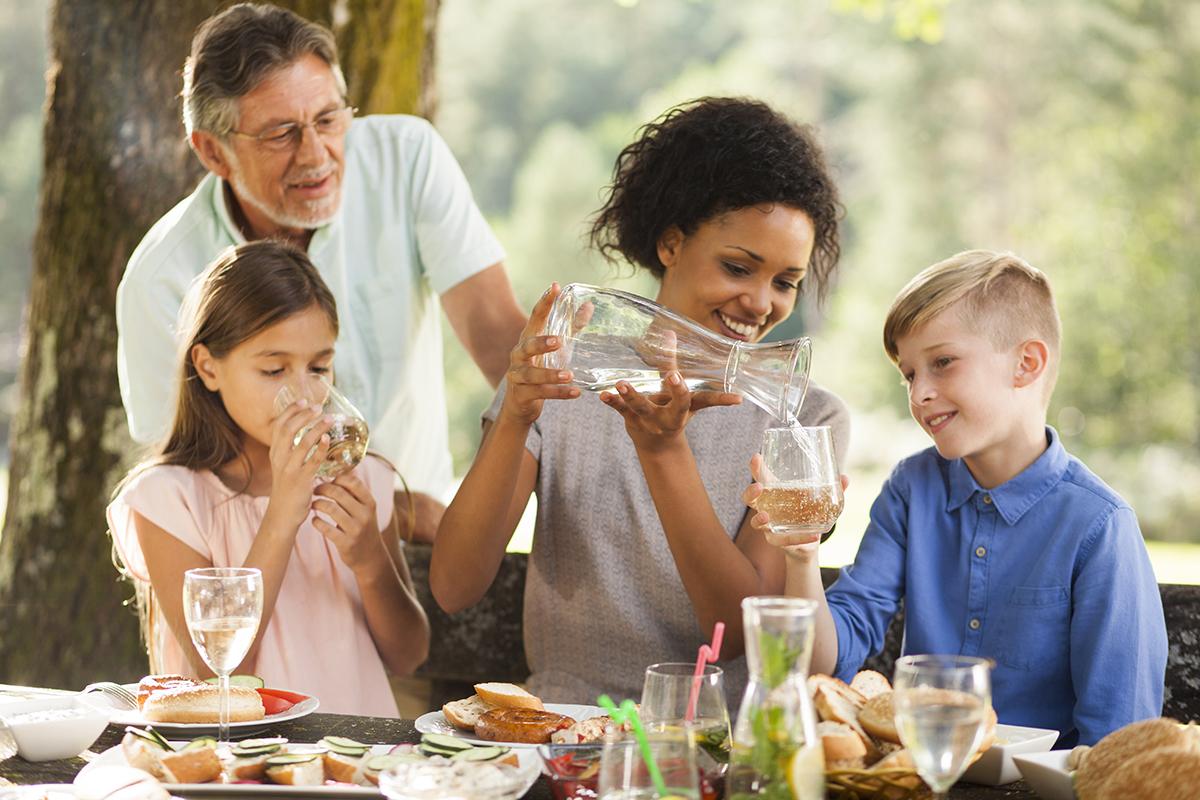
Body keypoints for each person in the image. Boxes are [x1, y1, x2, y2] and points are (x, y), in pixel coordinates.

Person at [430, 97, 850, 703]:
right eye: (738, 267)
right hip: (565, 736)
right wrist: (516, 416)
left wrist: (664, 452)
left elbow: (733, 632)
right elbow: (453, 585)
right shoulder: (559, 378)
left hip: (717, 751)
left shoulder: (808, 419)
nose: (762, 303)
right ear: (671, 244)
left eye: (785, 282)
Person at [115, 3, 527, 542]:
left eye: (328, 120)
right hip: (274, 560)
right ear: (213, 152)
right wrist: (395, 508)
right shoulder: (160, 280)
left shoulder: (409, 158)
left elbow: (497, 335)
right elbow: (185, 477)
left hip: (418, 550)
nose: (317, 156)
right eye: (281, 134)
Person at [747, 250, 1167, 746]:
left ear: (1026, 364)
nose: (919, 393)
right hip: (924, 779)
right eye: (909, 374)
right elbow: (826, 662)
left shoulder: (1099, 524)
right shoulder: (911, 489)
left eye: (942, 363)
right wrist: (802, 556)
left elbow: (1118, 739)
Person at [107, 240, 430, 717]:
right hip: (237, 766)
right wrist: (282, 512)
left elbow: (409, 655)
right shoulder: (169, 502)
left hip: (354, 760)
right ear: (208, 366)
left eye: (319, 367)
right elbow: (218, 674)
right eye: (274, 369)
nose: (304, 393)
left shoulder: (362, 481)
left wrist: (369, 560)